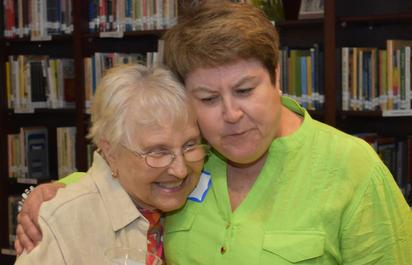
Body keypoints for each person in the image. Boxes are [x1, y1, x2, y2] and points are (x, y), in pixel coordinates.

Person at [16, 1, 412, 264]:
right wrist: (45, 196)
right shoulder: (184, 162)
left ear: (276, 76)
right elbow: (121, 176)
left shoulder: (351, 168)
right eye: (207, 98)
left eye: (245, 90)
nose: (231, 114)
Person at [14, 64, 209, 264]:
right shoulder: (61, 222)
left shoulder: (203, 198)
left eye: (189, 146)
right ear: (110, 151)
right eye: (158, 152)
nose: (181, 170)